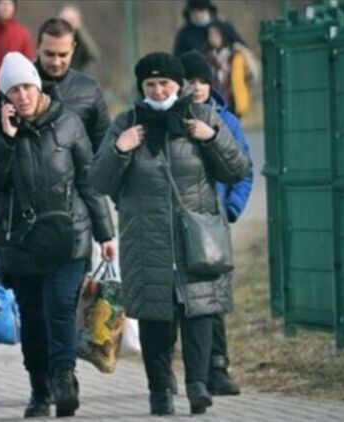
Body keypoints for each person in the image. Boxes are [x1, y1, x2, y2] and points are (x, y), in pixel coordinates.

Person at [88, 52, 250, 416]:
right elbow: (98, 181)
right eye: (150, 84)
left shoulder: (203, 117)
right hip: (147, 240)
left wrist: (212, 138)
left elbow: (237, 169)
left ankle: (198, 385)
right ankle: (160, 391)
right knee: (155, 319)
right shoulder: (127, 124)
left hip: (197, 239)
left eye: (165, 83)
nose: (158, 91)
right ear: (141, 87)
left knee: (199, 312)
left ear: (179, 85)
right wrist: (119, 149)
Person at [0, 52, 116, 418]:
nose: (22, 96)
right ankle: (40, 389)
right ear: (4, 96)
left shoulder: (67, 122)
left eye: (27, 87)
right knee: (33, 318)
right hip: (19, 241)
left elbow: (88, 180)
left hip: (69, 234)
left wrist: (105, 233)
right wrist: (6, 140)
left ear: (38, 87)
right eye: (13, 90)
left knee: (60, 307)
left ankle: (64, 379)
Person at [0, 17, 111, 239]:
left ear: (74, 48)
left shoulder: (88, 90)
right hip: (25, 208)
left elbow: (101, 148)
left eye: (63, 55)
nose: (56, 62)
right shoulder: (13, 85)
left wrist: (104, 224)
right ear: (38, 47)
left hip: (74, 210)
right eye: (49, 54)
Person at [180, 50, 253, 396]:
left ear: (211, 84)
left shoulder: (227, 121)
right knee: (186, 298)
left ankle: (218, 366)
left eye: (202, 81)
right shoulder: (173, 119)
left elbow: (244, 169)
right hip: (180, 221)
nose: (196, 87)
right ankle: (186, 368)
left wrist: (232, 208)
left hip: (214, 222)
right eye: (189, 81)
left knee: (215, 295)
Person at [205, 22, 255, 118]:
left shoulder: (236, 55)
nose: (213, 38)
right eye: (210, 34)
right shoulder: (207, 57)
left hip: (233, 101)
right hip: (214, 101)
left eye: (216, 34)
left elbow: (251, 76)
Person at [173, 0, 244, 57]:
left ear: (208, 10)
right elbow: (178, 57)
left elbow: (242, 47)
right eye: (194, 11)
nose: (198, 14)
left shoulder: (224, 27)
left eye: (201, 10)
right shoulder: (184, 33)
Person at [58, 4, 101, 73]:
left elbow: (92, 55)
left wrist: (79, 32)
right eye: (65, 20)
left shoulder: (80, 40)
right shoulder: (53, 37)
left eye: (71, 20)